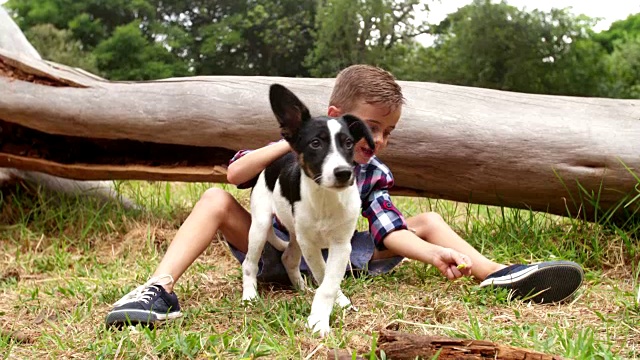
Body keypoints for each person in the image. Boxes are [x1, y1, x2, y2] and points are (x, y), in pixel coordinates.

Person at [105, 65, 584, 327]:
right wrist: (292, 143)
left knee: (429, 220)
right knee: (212, 199)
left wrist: (431, 252)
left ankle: (497, 274)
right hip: (273, 244)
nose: (377, 141)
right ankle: (158, 287)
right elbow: (235, 175)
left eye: (387, 132)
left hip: (340, 252)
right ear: (336, 118)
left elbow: (387, 226)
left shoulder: (367, 170)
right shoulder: (297, 146)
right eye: (372, 128)